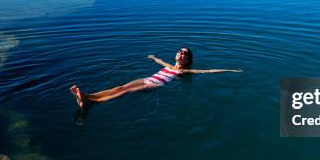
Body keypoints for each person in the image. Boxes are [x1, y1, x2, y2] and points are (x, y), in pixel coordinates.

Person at [70, 47, 242, 107]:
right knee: (120, 87)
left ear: (188, 60)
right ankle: (88, 96)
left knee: (124, 93)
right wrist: (152, 57)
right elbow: (159, 61)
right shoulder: (168, 65)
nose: (181, 54)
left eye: (185, 54)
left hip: (155, 84)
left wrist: (230, 70)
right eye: (180, 52)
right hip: (146, 78)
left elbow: (207, 71)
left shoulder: (184, 72)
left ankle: (90, 101)